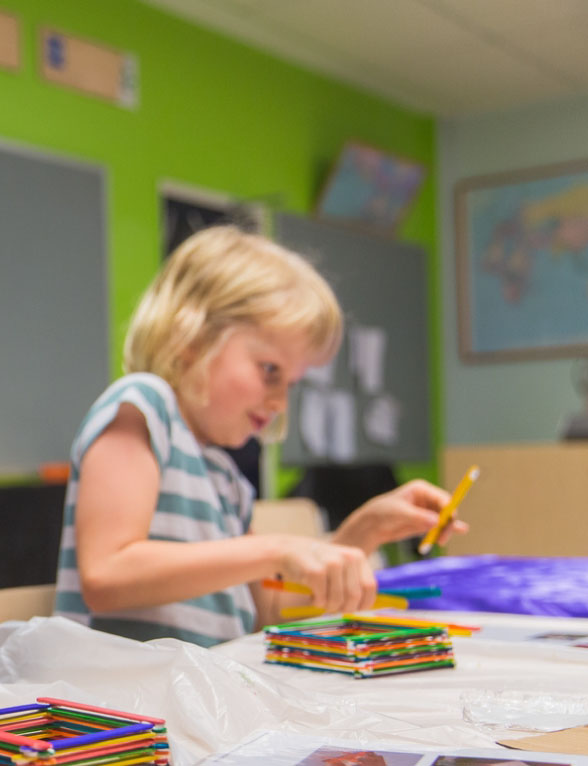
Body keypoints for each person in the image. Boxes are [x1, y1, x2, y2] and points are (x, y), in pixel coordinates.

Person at [53, 225, 468, 647]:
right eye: (270, 370)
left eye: (290, 382)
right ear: (191, 338)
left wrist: (361, 533)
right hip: (119, 706)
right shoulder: (142, 406)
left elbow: (269, 615)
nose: (280, 402)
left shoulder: (225, 477)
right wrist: (276, 549)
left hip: (191, 697)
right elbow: (107, 574)